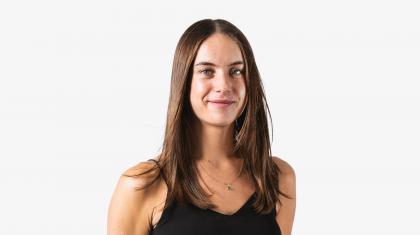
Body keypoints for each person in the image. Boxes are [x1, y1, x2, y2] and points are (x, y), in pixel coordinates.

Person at [107, 18, 296, 235]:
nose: (223, 85)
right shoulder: (141, 186)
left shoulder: (277, 178)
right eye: (207, 71)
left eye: (236, 71)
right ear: (184, 81)